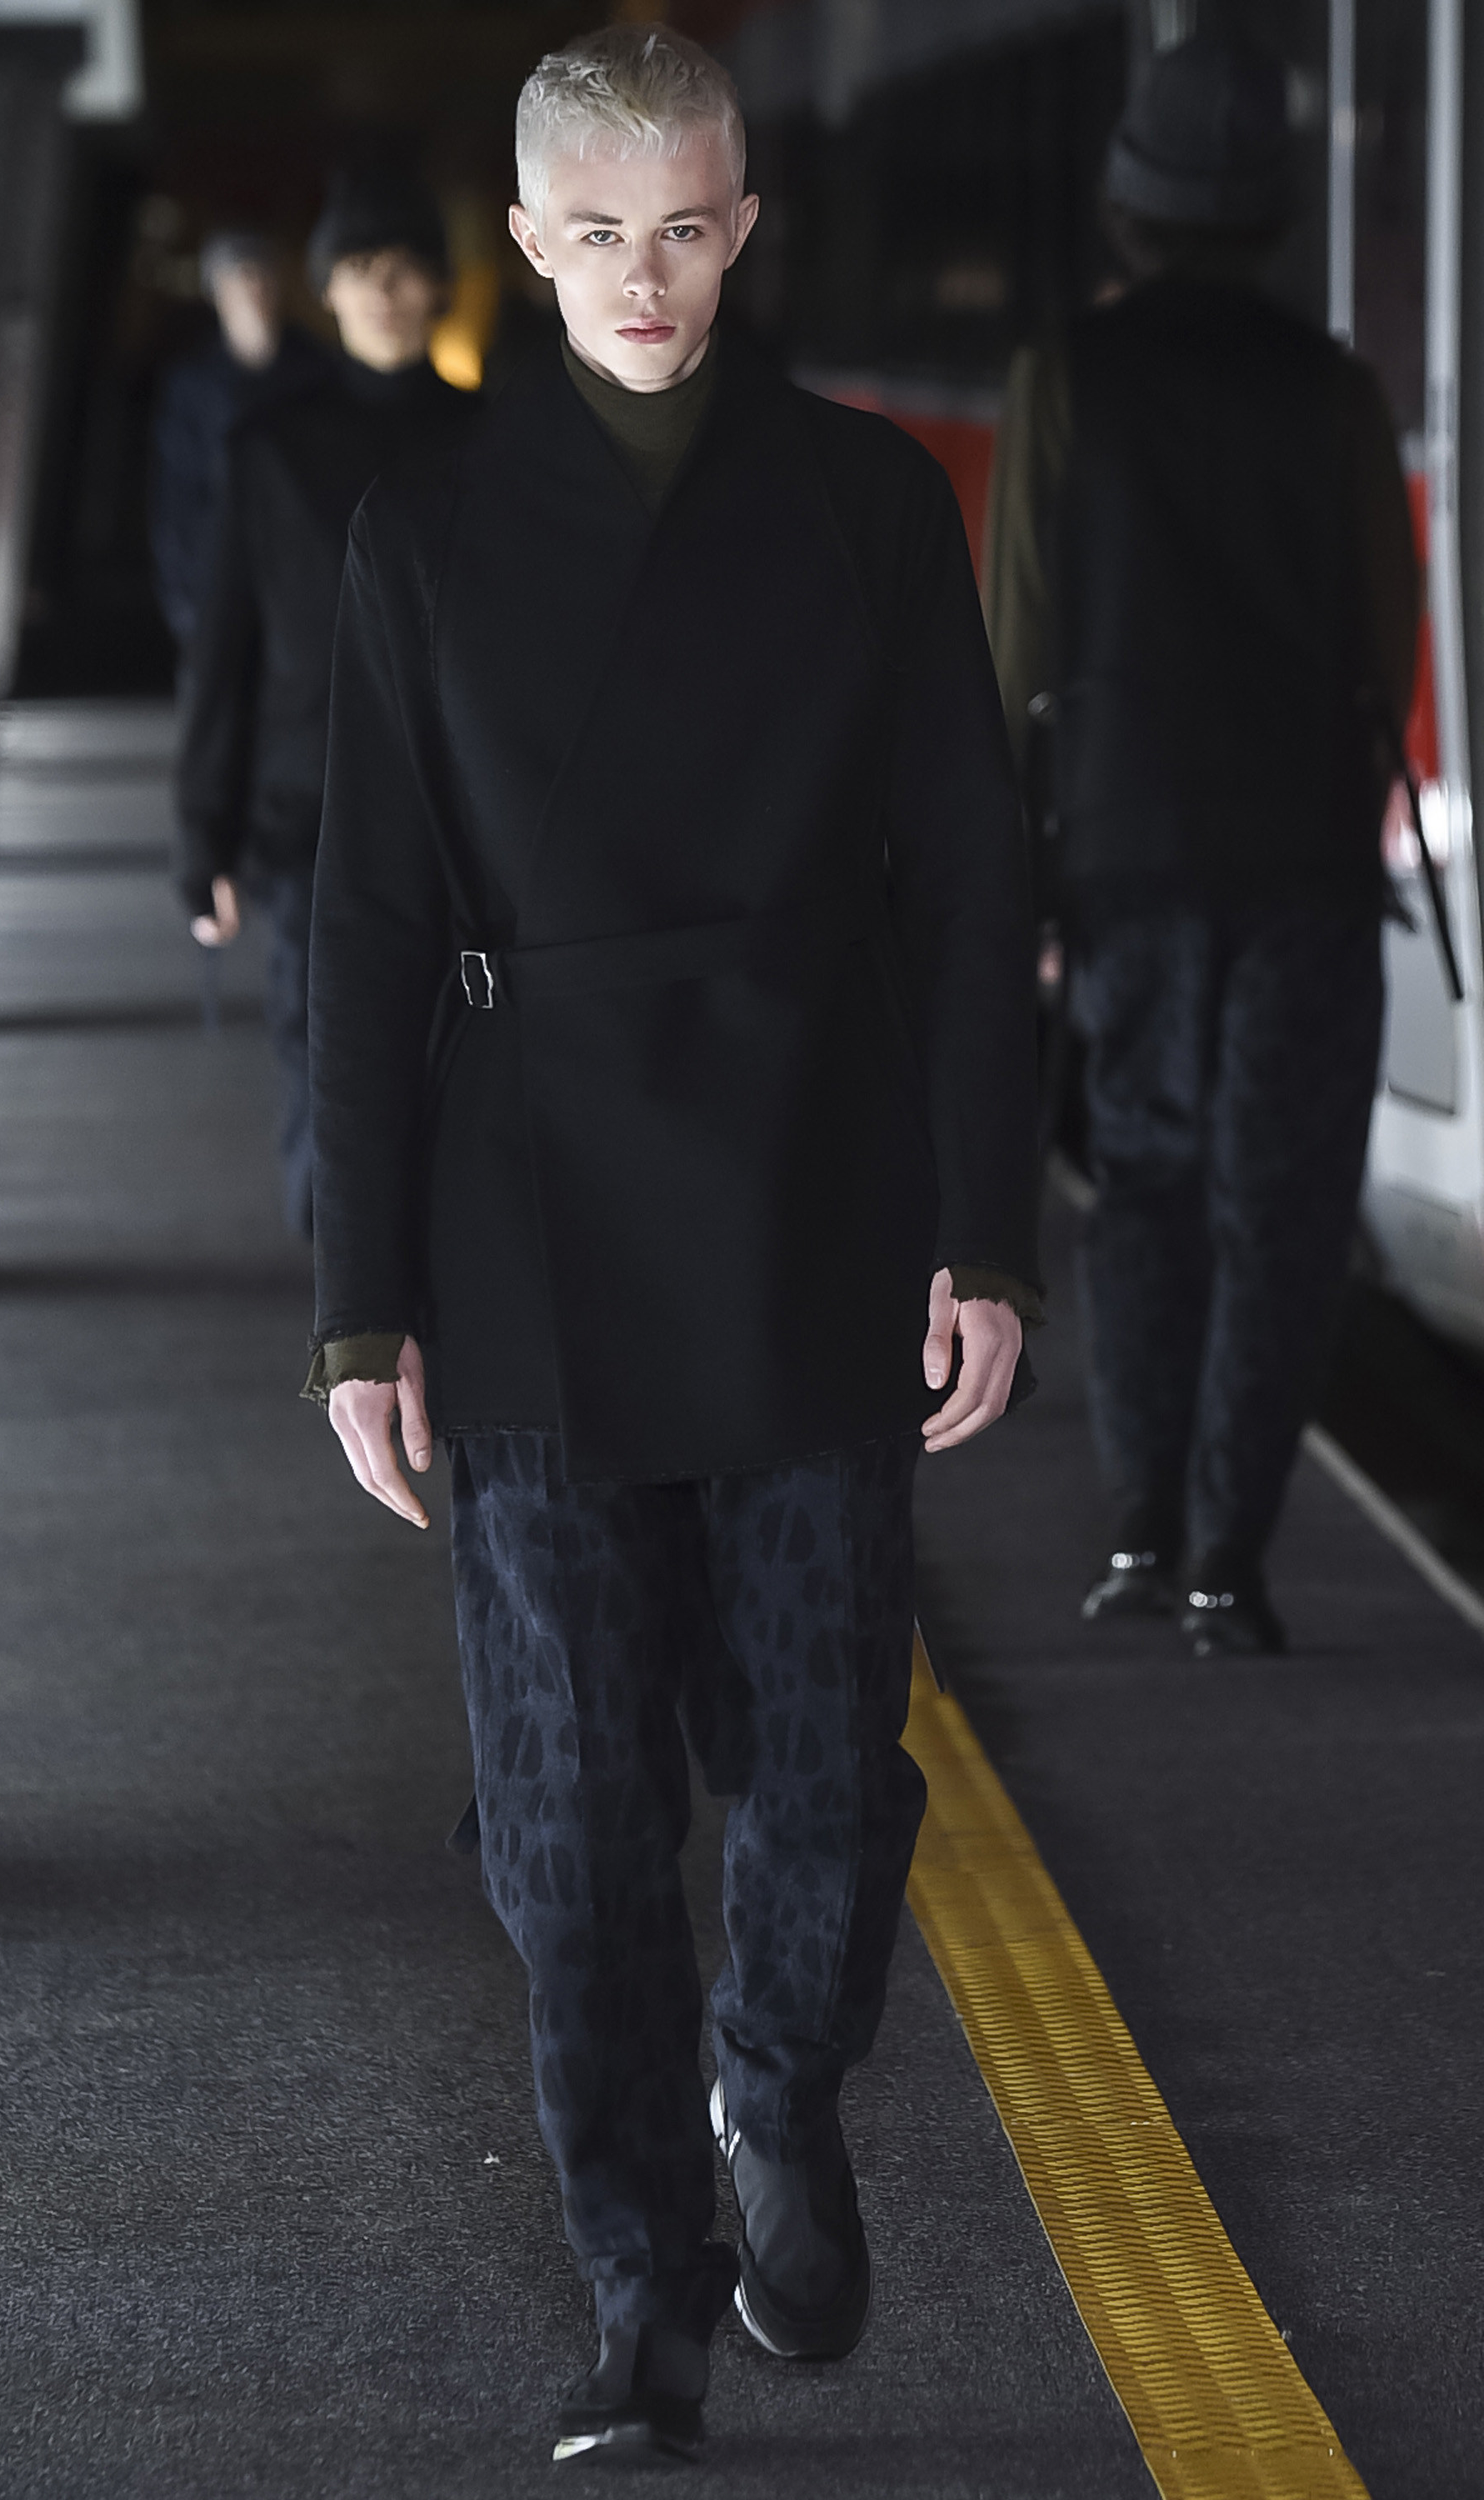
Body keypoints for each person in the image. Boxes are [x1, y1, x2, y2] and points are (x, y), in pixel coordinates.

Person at [306, 26, 1041, 2466]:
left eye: (688, 228)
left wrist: (983, 1227)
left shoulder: (862, 501)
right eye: (600, 233)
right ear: (527, 241)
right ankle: (637, 2286)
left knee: (827, 1756)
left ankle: (775, 2073)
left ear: (744, 227)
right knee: (568, 1814)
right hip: (524, 1232)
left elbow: (969, 886)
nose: (646, 277)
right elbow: (368, 931)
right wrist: (356, 1302)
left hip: (817, 1196)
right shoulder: (420, 530)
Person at [984, 32, 1420, 1660]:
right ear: (1276, 219)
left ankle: (1134, 1533)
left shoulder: (1065, 378)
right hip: (1300, 855)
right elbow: (1387, 631)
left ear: (1127, 207)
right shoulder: (1334, 389)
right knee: (1281, 1210)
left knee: (1147, 1189)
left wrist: (1018, 870)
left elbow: (1020, 639)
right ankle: (1230, 1563)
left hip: (1127, 852)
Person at [175, 174, 475, 1236]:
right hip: (308, 812)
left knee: (455, 1060)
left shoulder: (495, 440)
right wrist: (202, 838)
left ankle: (428, 1278)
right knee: (322, 1057)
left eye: (402, 270)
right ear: (328, 292)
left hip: (465, 815)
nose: (382, 292)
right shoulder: (268, 449)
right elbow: (226, 654)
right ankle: (342, 1287)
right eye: (357, 270)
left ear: (436, 287)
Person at [148, 230, 330, 652]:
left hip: (297, 583)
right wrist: (185, 601)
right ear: (217, 294)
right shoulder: (193, 385)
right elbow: (176, 495)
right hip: (213, 574)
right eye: (238, 280)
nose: (252, 291)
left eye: (260, 277)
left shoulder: (317, 372)